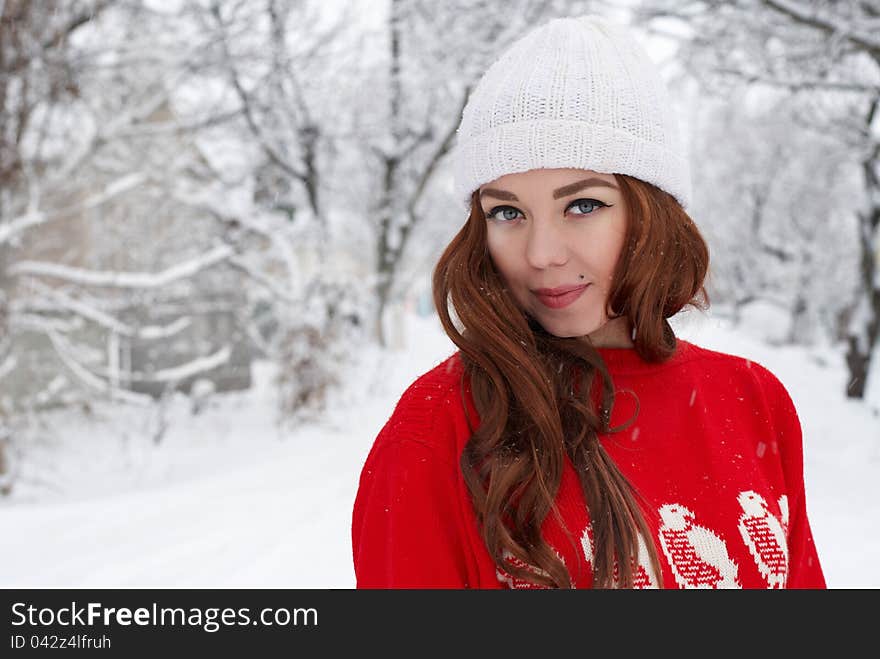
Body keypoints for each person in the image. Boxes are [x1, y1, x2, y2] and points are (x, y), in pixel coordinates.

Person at [350, 14, 826, 589]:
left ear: (651, 211)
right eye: (507, 212)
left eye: (583, 205)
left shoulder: (754, 400)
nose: (542, 253)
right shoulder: (439, 427)